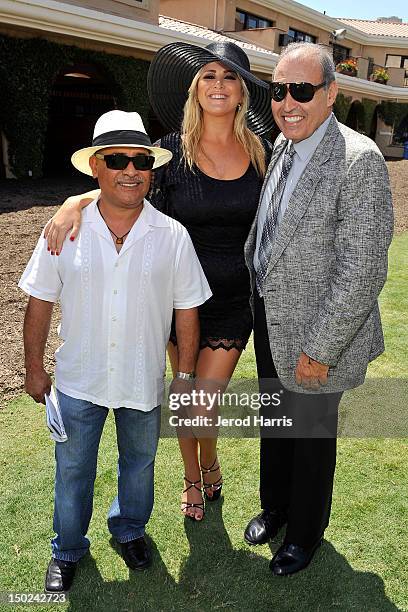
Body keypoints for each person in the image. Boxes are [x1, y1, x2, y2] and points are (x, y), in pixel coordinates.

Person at [43, 41, 275, 521]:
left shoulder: (262, 154)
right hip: (172, 298)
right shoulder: (168, 151)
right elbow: (122, 183)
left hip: (232, 297)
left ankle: (207, 464)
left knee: (200, 403)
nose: (218, 85)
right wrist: (75, 201)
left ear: (242, 92)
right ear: (194, 88)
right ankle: (196, 477)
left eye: (229, 77)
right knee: (185, 397)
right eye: (208, 75)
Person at [18, 110, 211, 592]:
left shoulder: (173, 236)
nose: (131, 169)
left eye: (140, 160)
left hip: (142, 378)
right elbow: (39, 301)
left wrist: (184, 376)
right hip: (78, 378)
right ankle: (66, 549)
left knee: (139, 468)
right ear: (96, 167)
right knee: (74, 471)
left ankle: (129, 530)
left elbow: (188, 310)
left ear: (151, 168)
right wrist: (33, 368)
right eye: (118, 159)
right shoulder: (63, 231)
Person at [243, 42, 393, 576]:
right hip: (269, 318)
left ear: (330, 93)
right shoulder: (282, 147)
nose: (288, 101)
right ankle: (276, 507)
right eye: (279, 90)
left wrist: (321, 348)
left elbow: (363, 268)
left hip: (318, 335)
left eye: (301, 90)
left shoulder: (359, 160)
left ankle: (304, 533)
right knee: (275, 422)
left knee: (309, 438)